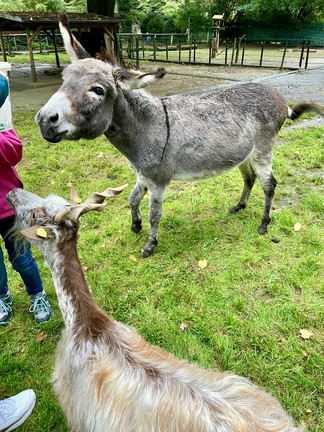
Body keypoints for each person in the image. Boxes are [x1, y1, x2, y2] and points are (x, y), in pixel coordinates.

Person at [0, 71, 53, 325]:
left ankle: (37, 294)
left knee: (22, 258)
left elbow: (14, 154)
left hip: (8, 208)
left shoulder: (2, 125)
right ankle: (2, 297)